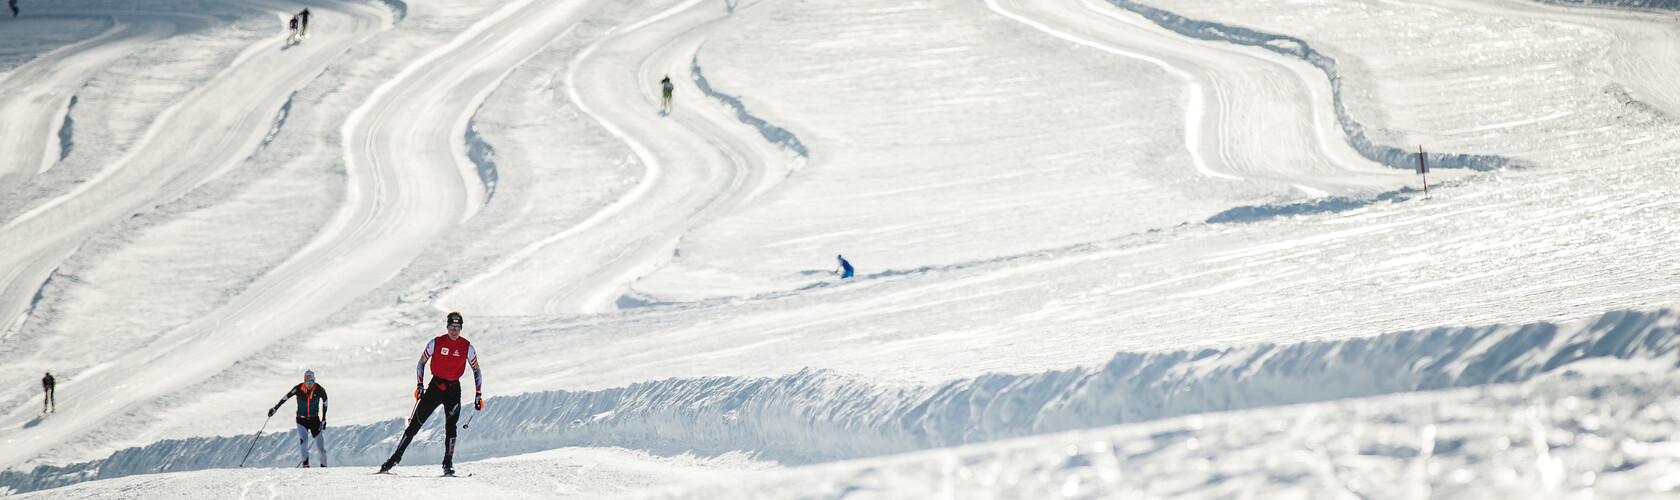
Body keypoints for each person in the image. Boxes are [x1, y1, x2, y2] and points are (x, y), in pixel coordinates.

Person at [378, 311, 483, 476]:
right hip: (435, 387)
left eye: (457, 327)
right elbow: (421, 363)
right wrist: (419, 385)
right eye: (451, 327)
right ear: (446, 326)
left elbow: (476, 370)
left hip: (453, 390)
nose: (454, 331)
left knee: (451, 427)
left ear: (461, 328)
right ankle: (394, 459)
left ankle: (448, 463)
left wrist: (478, 394)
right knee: (415, 424)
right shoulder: (436, 343)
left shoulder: (467, 347)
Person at [269, 370, 329, 467]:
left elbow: (325, 402)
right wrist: (275, 408)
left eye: (311, 382)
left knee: (320, 447)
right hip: (301, 419)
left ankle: (324, 467)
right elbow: (286, 397)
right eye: (307, 381)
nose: (309, 384)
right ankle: (305, 466)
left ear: (314, 381)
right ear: (304, 381)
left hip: (314, 419)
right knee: (304, 441)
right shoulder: (298, 389)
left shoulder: (319, 389)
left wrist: (324, 419)